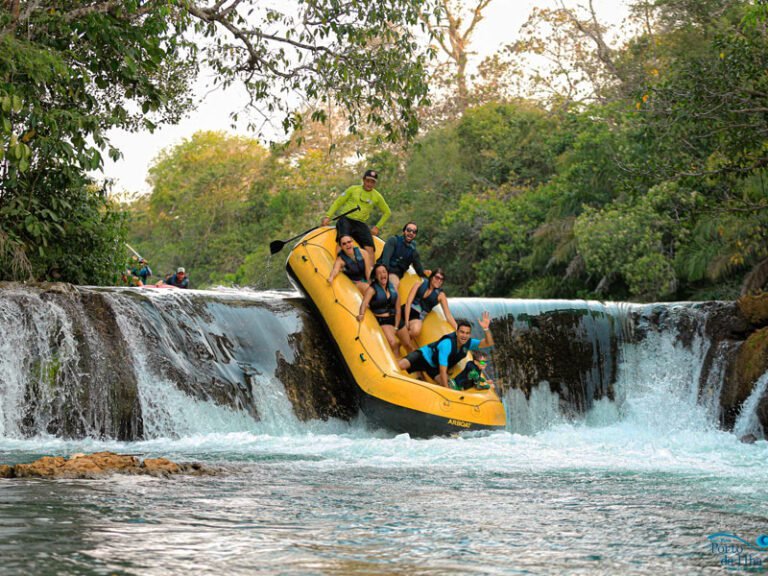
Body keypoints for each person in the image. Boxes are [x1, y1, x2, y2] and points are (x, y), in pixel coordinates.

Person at [398, 312, 494, 389]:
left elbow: (488, 343)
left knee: (449, 385)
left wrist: (486, 329)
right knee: (400, 365)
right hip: (423, 356)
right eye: (462, 332)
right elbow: (443, 370)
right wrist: (446, 389)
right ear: (456, 332)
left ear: (469, 335)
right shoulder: (447, 344)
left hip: (434, 368)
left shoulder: (469, 343)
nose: (464, 336)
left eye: (467, 333)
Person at [321, 169, 391, 265]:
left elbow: (387, 212)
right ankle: (339, 265)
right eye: (368, 181)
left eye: (372, 182)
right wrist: (328, 216)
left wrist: (377, 227)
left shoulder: (377, 196)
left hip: (361, 223)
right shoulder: (353, 189)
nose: (369, 184)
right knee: (344, 240)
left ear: (375, 184)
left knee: (370, 248)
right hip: (346, 219)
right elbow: (338, 202)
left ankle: (370, 274)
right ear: (363, 180)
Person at [397, 267, 457, 353]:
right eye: (437, 277)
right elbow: (408, 302)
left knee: (416, 330)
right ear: (431, 277)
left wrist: (457, 329)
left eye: (441, 279)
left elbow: (448, 315)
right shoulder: (419, 284)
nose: (439, 281)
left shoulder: (441, 295)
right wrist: (406, 321)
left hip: (417, 317)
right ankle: (404, 339)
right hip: (407, 310)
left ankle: (399, 343)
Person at [358, 263, 401, 358]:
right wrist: (361, 314)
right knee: (393, 342)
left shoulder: (393, 288)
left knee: (404, 341)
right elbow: (364, 303)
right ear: (376, 276)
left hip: (393, 319)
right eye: (379, 273)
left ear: (387, 274)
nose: (382, 274)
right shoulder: (372, 289)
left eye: (384, 272)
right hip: (382, 320)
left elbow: (398, 309)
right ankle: (397, 362)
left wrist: (397, 327)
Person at [377, 221, 428, 288]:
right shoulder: (393, 241)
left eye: (414, 231)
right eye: (409, 230)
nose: (411, 233)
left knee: (394, 284)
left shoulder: (413, 252)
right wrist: (384, 275)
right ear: (404, 231)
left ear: (415, 235)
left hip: (394, 274)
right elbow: (385, 260)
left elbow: (419, 270)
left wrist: (427, 275)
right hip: (383, 269)